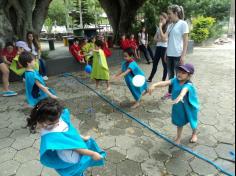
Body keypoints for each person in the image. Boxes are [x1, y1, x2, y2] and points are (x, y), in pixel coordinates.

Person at [27, 98, 106, 176]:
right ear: (42, 121)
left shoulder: (57, 117)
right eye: (51, 123)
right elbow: (76, 148)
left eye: (57, 121)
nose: (57, 124)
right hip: (70, 159)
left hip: (71, 152)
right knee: (75, 171)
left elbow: (70, 133)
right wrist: (92, 154)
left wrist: (82, 137)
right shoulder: (52, 135)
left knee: (79, 169)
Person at [149, 63, 199, 144]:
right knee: (179, 122)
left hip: (189, 106)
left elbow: (185, 89)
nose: (180, 74)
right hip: (179, 105)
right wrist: (155, 84)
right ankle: (178, 138)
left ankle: (194, 133)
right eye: (179, 71)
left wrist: (181, 96)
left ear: (189, 75)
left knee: (192, 120)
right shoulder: (175, 80)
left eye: (183, 73)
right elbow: (165, 83)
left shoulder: (188, 84)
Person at [162, 5, 189, 100]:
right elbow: (165, 39)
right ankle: (170, 92)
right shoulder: (170, 25)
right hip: (169, 55)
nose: (168, 15)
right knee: (170, 76)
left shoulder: (183, 24)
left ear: (175, 13)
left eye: (170, 13)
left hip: (178, 55)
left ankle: (180, 94)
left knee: (180, 76)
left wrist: (183, 56)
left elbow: (186, 40)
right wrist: (165, 53)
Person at [148, 13, 169, 83]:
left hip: (164, 48)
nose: (160, 21)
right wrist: (160, 39)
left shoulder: (168, 27)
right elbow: (154, 38)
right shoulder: (158, 28)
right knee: (155, 63)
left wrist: (160, 28)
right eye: (159, 19)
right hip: (158, 47)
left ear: (166, 19)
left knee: (164, 64)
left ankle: (163, 80)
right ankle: (150, 78)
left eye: (162, 19)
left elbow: (165, 39)